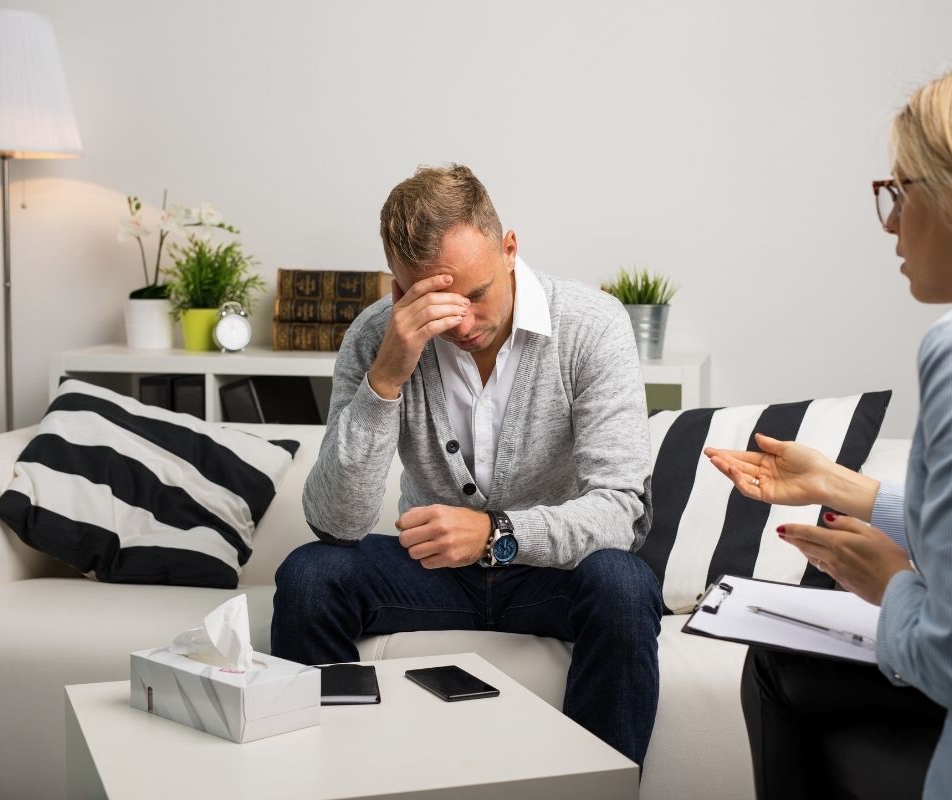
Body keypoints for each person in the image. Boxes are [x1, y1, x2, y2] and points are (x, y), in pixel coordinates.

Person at [705, 61, 952, 799]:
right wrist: (843, 486)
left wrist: (891, 584)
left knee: (779, 664)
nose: (891, 223)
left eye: (898, 194)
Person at [271, 163, 663, 767]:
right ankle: (333, 778)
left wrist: (498, 535)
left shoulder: (592, 326)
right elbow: (337, 522)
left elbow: (621, 513)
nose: (462, 323)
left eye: (475, 295)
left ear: (509, 249)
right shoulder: (375, 338)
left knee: (624, 584)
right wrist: (387, 377)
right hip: (432, 570)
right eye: (433, 302)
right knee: (308, 575)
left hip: (549, 571)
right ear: (398, 287)